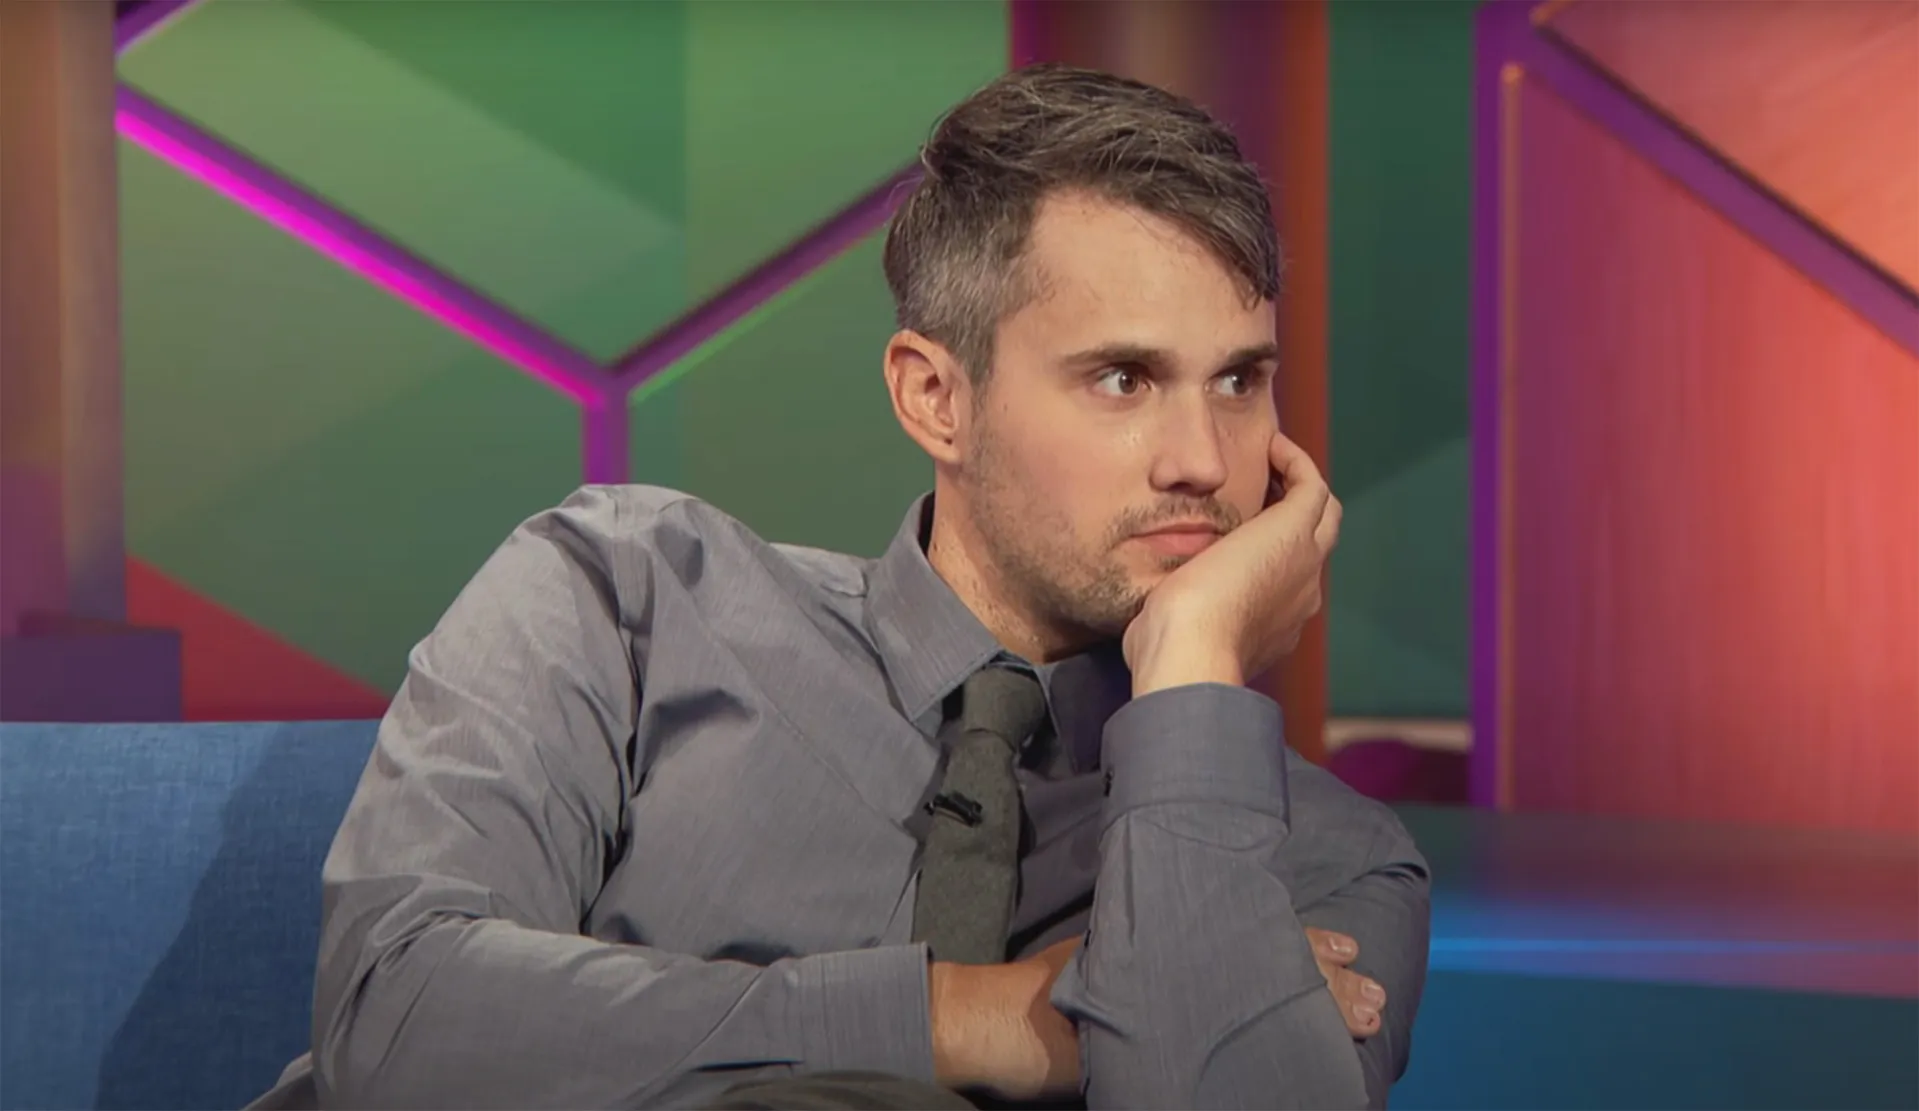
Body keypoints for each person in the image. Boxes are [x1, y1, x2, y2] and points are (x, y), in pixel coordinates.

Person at [250, 63, 1429, 1111]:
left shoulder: (1321, 857)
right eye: (1123, 379)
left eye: (1238, 383)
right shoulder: (628, 598)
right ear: (935, 398)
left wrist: (1190, 668)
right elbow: (397, 1023)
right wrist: (971, 1019)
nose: (1204, 461)